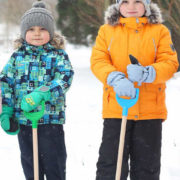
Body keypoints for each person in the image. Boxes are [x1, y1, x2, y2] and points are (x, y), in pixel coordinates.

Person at [90, 0, 179, 179]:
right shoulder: (107, 31)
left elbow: (170, 63)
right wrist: (115, 78)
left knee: (147, 166)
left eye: (137, 1)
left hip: (150, 112)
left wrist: (148, 73)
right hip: (116, 108)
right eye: (125, 2)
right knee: (111, 164)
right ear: (117, 5)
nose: (131, 7)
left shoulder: (159, 31)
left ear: (146, 4)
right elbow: (98, 61)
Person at [0, 1, 74, 180]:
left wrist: (42, 92)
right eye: (31, 29)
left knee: (54, 164)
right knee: (31, 166)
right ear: (24, 32)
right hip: (24, 121)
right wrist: (7, 111)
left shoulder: (58, 55)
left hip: (50, 121)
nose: (37, 34)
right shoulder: (17, 57)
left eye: (42, 29)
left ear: (51, 31)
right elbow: (6, 82)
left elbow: (65, 77)